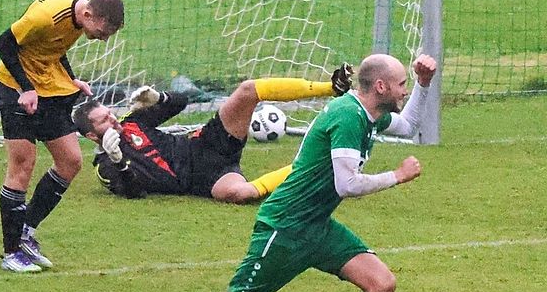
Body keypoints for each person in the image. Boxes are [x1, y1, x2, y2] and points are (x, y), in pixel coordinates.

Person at [132, 53, 437, 292]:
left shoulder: (368, 114)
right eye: (403, 83)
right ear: (381, 87)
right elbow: (348, 184)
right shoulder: (347, 117)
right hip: (285, 228)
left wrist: (424, 83)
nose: (404, 89)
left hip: (317, 226)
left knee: (381, 283)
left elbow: (408, 126)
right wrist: (397, 175)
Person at [71, 63, 353, 203]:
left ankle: (331, 88)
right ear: (92, 136)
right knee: (240, 194)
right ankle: (319, 165)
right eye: (103, 121)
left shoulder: (132, 121)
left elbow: (181, 103)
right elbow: (133, 192)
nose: (112, 119)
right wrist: (119, 159)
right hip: (201, 180)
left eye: (108, 113)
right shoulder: (106, 167)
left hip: (205, 144)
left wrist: (158, 98)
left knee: (247, 90)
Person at [0, 0, 125, 273]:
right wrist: (27, 89)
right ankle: (11, 252)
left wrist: (71, 78)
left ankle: (25, 229)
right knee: (22, 164)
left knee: (70, 160)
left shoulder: (81, 14)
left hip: (48, 84)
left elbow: (55, 45)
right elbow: (4, 44)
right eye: (103, 32)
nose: (103, 39)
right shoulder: (45, 16)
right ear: (89, 15)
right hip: (15, 87)